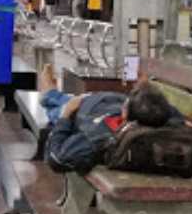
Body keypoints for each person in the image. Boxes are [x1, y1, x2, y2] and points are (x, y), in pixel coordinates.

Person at [37, 64, 181, 174]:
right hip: (103, 103)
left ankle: (49, 94)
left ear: (125, 114)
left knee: (62, 105)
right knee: (71, 100)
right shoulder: (165, 117)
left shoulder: (98, 138)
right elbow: (173, 113)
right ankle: (51, 94)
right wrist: (144, 90)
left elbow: (56, 159)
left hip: (86, 110)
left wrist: (65, 116)